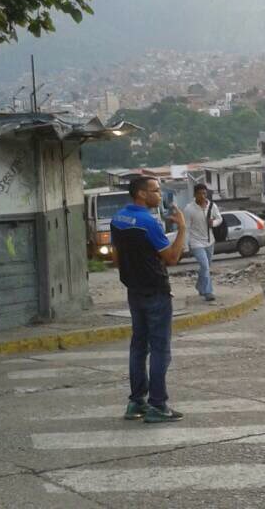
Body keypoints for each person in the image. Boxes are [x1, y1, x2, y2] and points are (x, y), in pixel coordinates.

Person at [110, 177, 187, 423]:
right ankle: (157, 405)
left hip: (134, 290)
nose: (159, 194)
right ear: (142, 194)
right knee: (160, 350)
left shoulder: (117, 219)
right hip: (155, 291)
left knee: (138, 347)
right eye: (155, 190)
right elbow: (172, 257)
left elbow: (116, 257)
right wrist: (182, 228)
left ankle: (136, 402)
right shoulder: (148, 223)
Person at [184, 183, 222, 302]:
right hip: (196, 242)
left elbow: (219, 218)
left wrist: (214, 223)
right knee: (205, 266)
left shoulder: (212, 206)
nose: (202, 196)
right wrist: (186, 245)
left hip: (210, 241)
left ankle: (200, 286)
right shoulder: (189, 209)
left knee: (206, 267)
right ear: (195, 194)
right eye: (200, 193)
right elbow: (186, 228)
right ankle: (208, 292)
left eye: (204, 193)